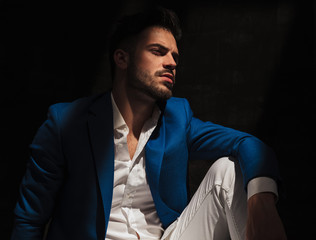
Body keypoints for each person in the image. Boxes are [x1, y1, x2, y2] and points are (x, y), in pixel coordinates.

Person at [11, 7, 287, 240]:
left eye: (174, 56)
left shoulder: (178, 117)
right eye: (158, 51)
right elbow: (29, 220)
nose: (171, 63)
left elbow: (247, 144)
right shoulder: (67, 122)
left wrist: (260, 199)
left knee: (228, 171)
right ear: (122, 58)